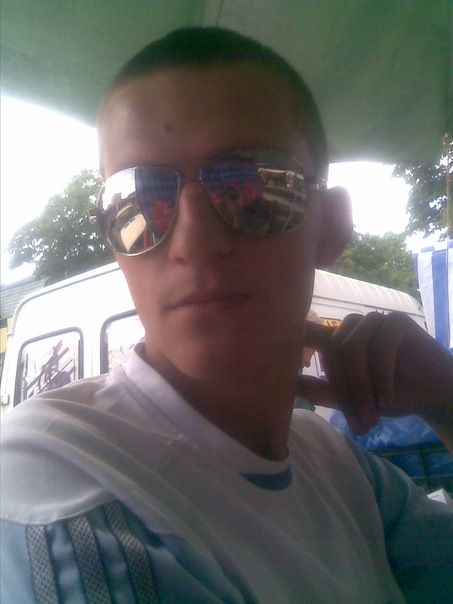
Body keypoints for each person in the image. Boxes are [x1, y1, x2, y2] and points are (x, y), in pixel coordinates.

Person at [1, 27, 453, 604]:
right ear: (114, 236)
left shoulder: (338, 467)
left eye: (252, 186)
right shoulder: (63, 492)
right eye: (138, 200)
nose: (193, 243)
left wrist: (445, 394)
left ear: (331, 224)